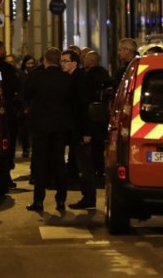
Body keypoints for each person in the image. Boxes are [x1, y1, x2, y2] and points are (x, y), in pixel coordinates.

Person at [24, 47, 74, 212]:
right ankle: (61, 199)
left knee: (39, 163)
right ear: (59, 61)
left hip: (40, 127)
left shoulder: (36, 76)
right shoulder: (66, 78)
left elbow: (25, 95)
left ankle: (38, 200)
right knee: (59, 162)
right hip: (60, 126)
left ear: (45, 60)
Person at [60, 49, 97, 210]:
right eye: (61, 61)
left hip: (82, 131)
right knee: (81, 164)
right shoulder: (71, 78)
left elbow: (84, 107)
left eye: (65, 61)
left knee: (85, 166)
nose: (62, 64)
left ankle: (89, 198)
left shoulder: (79, 78)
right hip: (77, 129)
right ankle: (87, 196)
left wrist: (87, 132)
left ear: (74, 63)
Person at [0, 39, 21, 189]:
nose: (5, 51)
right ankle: (5, 176)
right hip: (6, 111)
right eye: (4, 48)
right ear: (0, 49)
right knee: (7, 144)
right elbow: (17, 87)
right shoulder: (7, 68)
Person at [82, 50, 113, 181]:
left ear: (91, 61)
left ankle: (93, 170)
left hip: (92, 114)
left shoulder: (89, 75)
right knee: (100, 145)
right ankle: (100, 170)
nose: (84, 60)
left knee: (92, 146)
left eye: (86, 58)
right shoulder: (105, 74)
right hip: (102, 114)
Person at [18, 55, 37, 158]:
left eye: (32, 63)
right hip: (24, 106)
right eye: (28, 63)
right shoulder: (21, 75)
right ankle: (26, 148)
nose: (31, 65)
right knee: (24, 130)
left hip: (33, 106)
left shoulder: (35, 75)